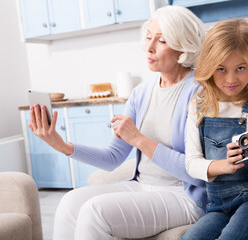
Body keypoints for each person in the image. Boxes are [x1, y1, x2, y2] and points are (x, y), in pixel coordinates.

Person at [28, 6, 207, 240]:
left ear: (184, 47)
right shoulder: (141, 93)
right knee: (70, 202)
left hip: (184, 195)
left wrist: (140, 140)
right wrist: (62, 146)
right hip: (142, 185)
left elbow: (198, 172)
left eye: (161, 41)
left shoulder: (200, 93)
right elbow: (112, 158)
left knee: (95, 212)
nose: (149, 47)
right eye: (148, 37)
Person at [181, 19, 248, 240]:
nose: (231, 79)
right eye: (221, 69)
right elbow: (191, 163)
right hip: (219, 206)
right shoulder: (198, 108)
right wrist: (225, 165)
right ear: (209, 67)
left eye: (240, 68)